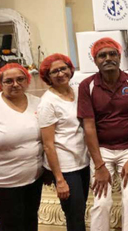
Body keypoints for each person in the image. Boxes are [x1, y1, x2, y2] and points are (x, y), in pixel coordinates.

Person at [77, 37, 128, 231]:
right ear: (95, 60)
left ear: (119, 57)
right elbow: (89, 126)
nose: (108, 58)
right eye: (102, 55)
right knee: (101, 202)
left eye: (112, 54)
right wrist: (99, 165)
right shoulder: (87, 86)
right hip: (102, 152)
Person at [0, 63, 43, 231]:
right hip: (3, 185)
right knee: (11, 227)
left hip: (33, 180)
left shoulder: (38, 103)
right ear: (0, 84)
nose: (15, 84)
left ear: (28, 80)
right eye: (9, 81)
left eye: (20, 79)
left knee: (31, 223)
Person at [37, 54, 90, 231]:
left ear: (70, 69)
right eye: (54, 72)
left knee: (80, 211)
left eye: (63, 68)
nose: (60, 74)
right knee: (74, 215)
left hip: (82, 162)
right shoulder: (48, 102)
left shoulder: (75, 92)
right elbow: (48, 144)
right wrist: (59, 179)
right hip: (65, 168)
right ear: (48, 77)